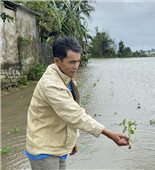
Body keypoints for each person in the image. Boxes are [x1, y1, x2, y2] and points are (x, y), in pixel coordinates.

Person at [24, 37, 129, 170]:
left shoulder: (66, 75)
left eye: (78, 61)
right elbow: (75, 115)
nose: (76, 66)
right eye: (72, 62)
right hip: (44, 149)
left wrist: (71, 141)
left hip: (58, 145)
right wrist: (110, 134)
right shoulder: (50, 85)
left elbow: (68, 112)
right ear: (57, 61)